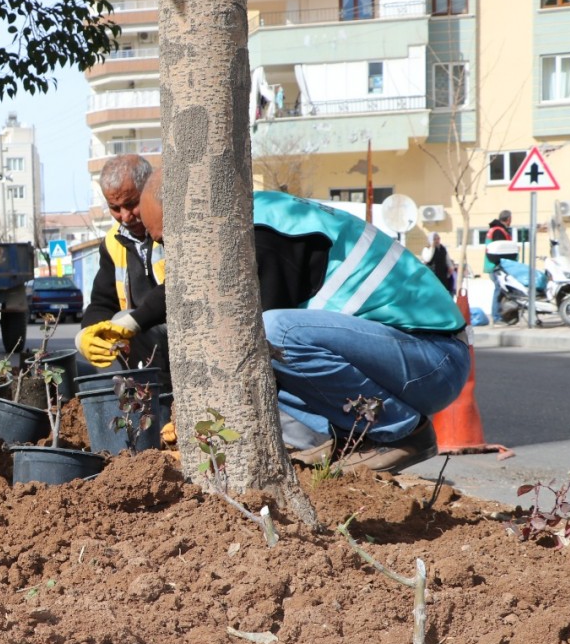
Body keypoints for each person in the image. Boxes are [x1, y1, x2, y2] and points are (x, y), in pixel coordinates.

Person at [94, 170, 468, 474]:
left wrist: (203, 420)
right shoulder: (246, 223)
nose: (168, 252)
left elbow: (248, 355)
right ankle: (316, 444)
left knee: (270, 334)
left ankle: (401, 433)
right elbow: (190, 281)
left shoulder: (263, 238)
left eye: (168, 240)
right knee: (273, 345)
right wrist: (133, 320)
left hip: (433, 359)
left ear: (191, 224)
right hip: (405, 357)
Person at [74, 153, 168, 382]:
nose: (125, 217)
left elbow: (179, 288)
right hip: (143, 344)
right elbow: (101, 303)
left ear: (149, 190)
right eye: (115, 208)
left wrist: (133, 321)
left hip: (178, 336)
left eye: (132, 204)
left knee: (122, 318)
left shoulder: (169, 228)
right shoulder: (112, 242)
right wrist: (86, 335)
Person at [485, 210, 514, 319]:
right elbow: (501, 250)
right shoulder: (499, 231)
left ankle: (502, 315)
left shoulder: (496, 229)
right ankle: (496, 316)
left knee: (502, 291)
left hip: (494, 265)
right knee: (499, 290)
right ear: (508, 219)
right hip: (497, 266)